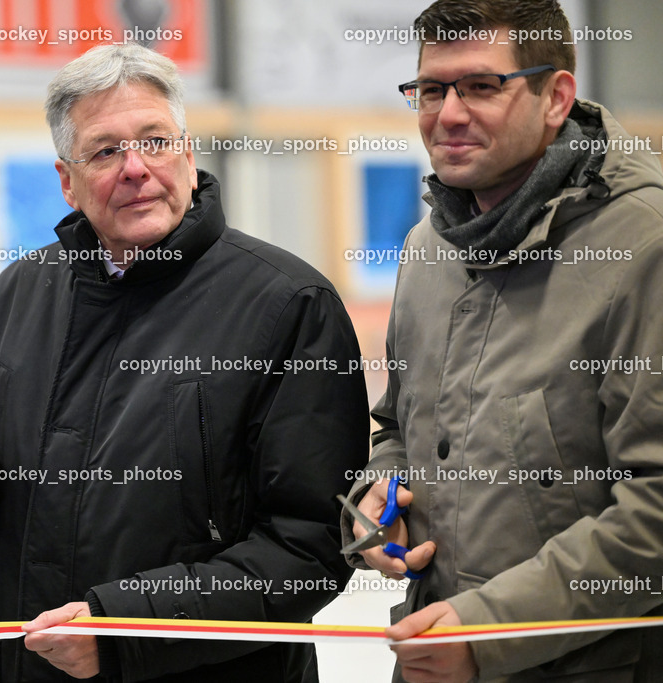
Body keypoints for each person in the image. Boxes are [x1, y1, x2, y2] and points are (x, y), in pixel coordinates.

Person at [0, 43, 370, 682]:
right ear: (66, 181)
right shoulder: (23, 292)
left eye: (154, 141)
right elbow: (21, 527)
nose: (135, 168)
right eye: (105, 150)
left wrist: (121, 630)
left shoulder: (287, 304)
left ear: (186, 151)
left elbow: (311, 548)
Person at [341, 1, 663, 681]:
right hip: (432, 655)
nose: (449, 113)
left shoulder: (645, 247)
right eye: (432, 88)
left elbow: (656, 507)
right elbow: (397, 425)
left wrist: (487, 630)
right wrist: (380, 496)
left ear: (557, 97)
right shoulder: (427, 247)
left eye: (482, 86)